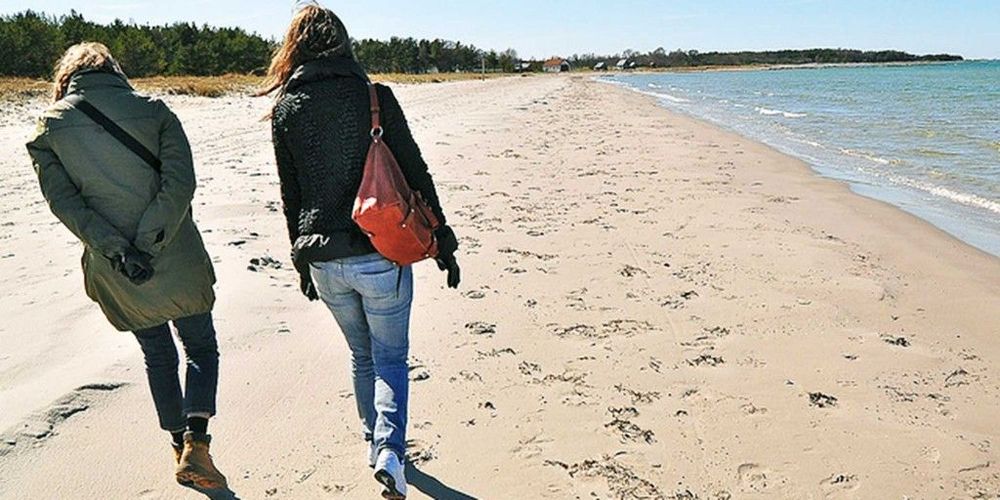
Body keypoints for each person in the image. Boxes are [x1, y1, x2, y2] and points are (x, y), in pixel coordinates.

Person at [259, 5, 460, 499]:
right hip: (380, 250)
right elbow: (414, 171)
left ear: (294, 49)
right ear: (344, 44)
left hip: (323, 258)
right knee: (390, 357)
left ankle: (374, 443)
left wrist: (300, 261)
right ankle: (390, 451)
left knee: (361, 355)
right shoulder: (375, 97)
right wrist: (443, 240)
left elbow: (291, 195)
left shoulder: (287, 108)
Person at [26, 43, 227, 492]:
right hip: (176, 254)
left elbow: (66, 206)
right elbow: (181, 184)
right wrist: (150, 242)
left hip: (117, 268)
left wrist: (120, 250)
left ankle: (177, 445)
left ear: (66, 76)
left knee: (157, 354)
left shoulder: (49, 128)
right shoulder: (155, 111)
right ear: (114, 70)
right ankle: (196, 444)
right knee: (201, 348)